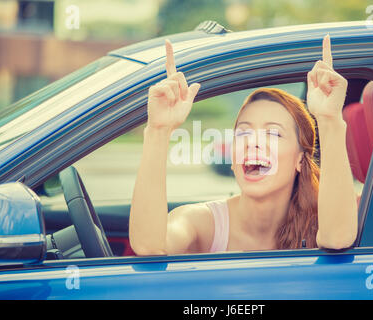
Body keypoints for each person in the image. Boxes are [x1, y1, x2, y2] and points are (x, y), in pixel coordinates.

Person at [129, 34, 358, 255]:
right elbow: (150, 247)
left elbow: (337, 239)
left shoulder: (321, 220)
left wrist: (329, 119)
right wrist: (158, 130)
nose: (253, 142)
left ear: (300, 159)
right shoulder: (201, 222)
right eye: (244, 132)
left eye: (273, 133)